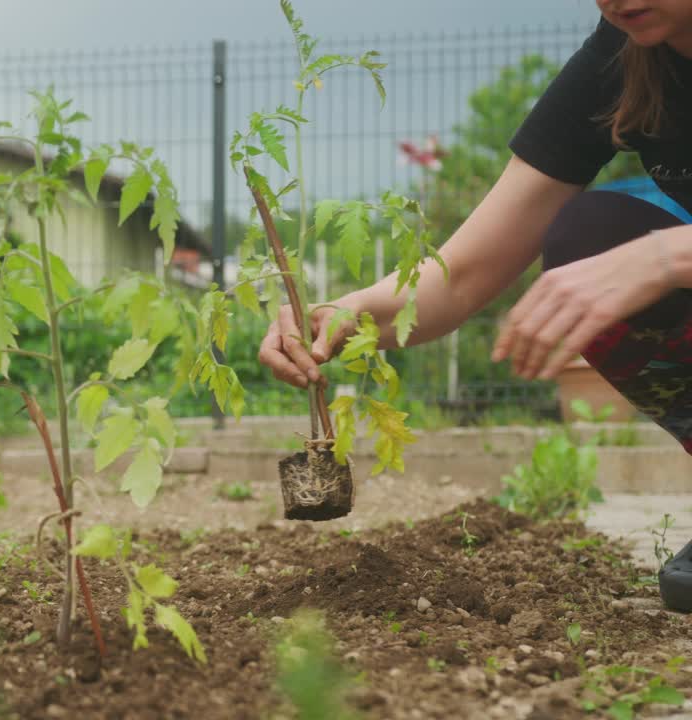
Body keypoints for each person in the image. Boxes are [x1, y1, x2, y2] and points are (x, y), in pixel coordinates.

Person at [256, 1, 692, 611]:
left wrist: (666, 258)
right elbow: (462, 275)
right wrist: (345, 315)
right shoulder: (624, 57)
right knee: (588, 237)